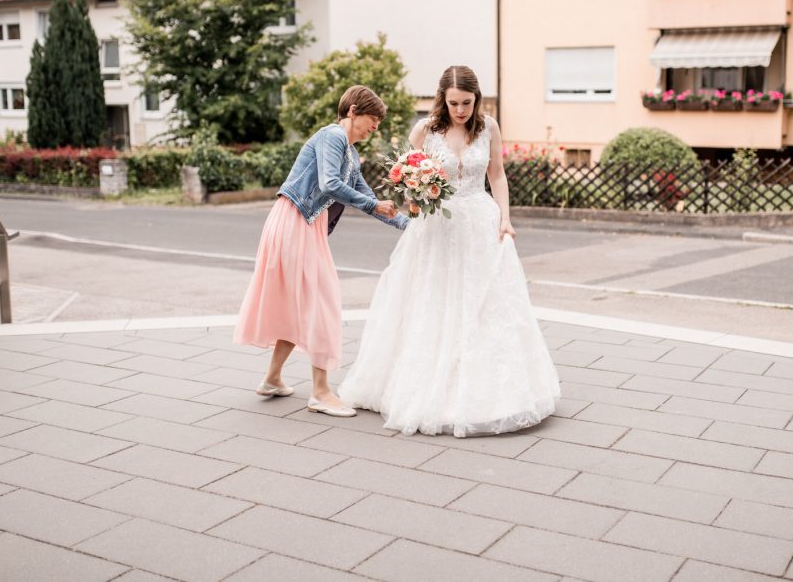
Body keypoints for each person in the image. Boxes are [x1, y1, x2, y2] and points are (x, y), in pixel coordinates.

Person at [338, 66, 560, 436]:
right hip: (436, 227)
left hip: (479, 222)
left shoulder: (488, 127)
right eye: (454, 103)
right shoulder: (425, 131)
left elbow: (497, 175)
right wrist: (413, 195)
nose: (461, 110)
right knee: (431, 301)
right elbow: (405, 181)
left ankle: (490, 389)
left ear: (477, 99)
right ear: (442, 98)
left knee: (484, 303)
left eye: (467, 103)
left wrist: (505, 218)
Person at [234, 85, 408, 417]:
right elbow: (330, 185)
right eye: (373, 119)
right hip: (296, 220)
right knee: (323, 301)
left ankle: (272, 378)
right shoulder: (333, 137)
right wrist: (374, 202)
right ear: (354, 111)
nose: (376, 127)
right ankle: (321, 392)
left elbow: (371, 203)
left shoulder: (351, 154)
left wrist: (408, 226)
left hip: (300, 223)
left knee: (298, 302)